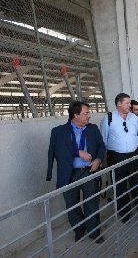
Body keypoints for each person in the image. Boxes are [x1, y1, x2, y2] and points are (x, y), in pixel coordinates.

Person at [47, 101, 105, 243]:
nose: (89, 116)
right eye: (86, 113)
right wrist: (78, 152)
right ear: (75, 115)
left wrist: (98, 160)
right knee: (72, 205)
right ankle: (79, 229)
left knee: (91, 202)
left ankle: (94, 231)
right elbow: (55, 151)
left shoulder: (92, 129)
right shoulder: (59, 132)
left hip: (88, 171)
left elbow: (101, 147)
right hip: (69, 174)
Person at [100, 93, 138, 223]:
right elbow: (103, 140)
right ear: (119, 104)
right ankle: (125, 214)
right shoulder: (108, 118)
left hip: (134, 155)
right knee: (120, 187)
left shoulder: (134, 118)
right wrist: (104, 159)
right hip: (115, 157)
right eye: (127, 103)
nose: (129, 105)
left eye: (129, 103)